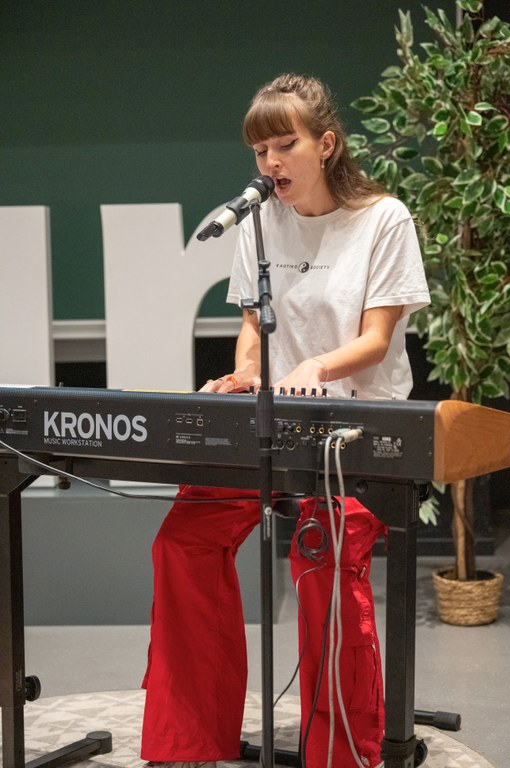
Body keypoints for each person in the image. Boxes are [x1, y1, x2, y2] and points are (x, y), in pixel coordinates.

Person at [141, 73, 430, 768]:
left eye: (284, 145)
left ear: (325, 144)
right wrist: (247, 373)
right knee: (183, 540)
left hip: (356, 430)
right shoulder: (259, 219)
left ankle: (341, 751)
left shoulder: (384, 219)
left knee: (319, 556)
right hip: (274, 418)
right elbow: (252, 325)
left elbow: (377, 340)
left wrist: (316, 368)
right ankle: (191, 739)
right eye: (259, 151)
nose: (270, 163)